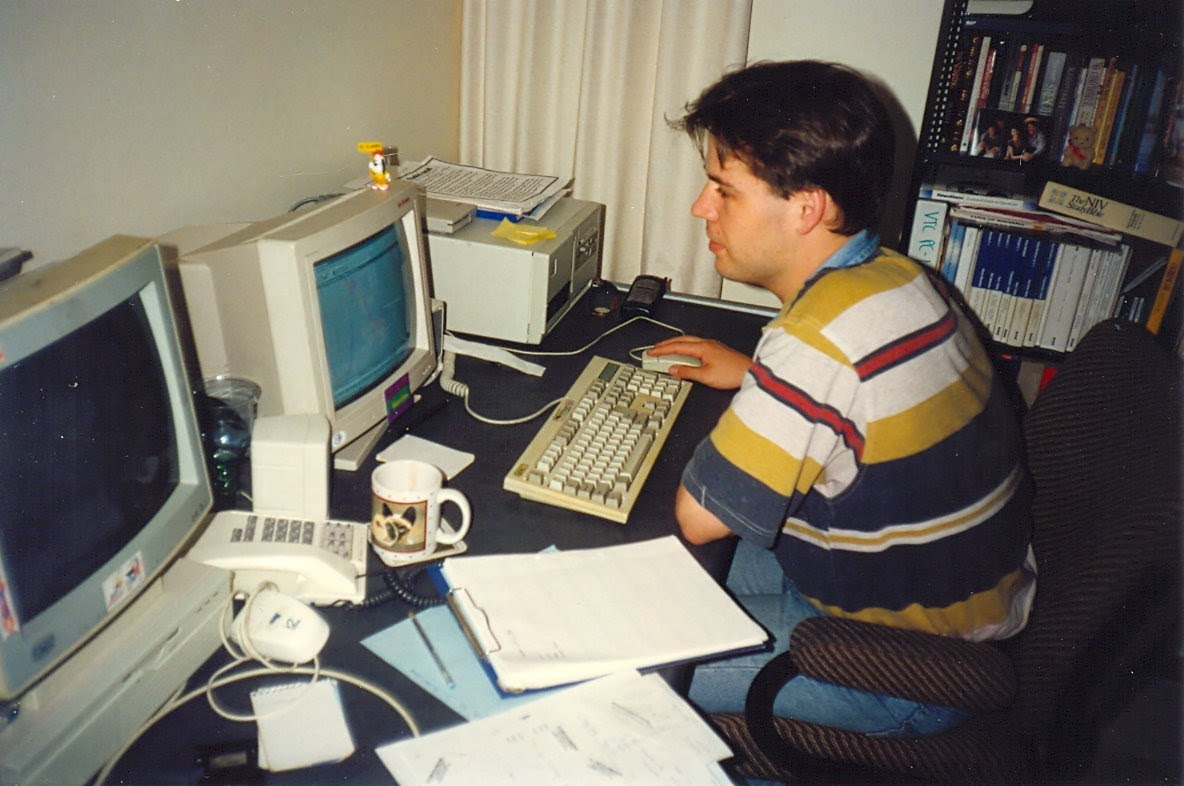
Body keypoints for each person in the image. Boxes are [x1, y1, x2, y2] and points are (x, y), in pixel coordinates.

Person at [649, 60, 1035, 737]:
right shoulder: (895, 275)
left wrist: (774, 380)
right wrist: (755, 374)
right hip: (949, 604)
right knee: (640, 584)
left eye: (723, 190)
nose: (700, 208)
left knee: (620, 666)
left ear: (806, 207)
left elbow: (697, 517)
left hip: (904, 668)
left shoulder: (815, 346)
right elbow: (862, 400)